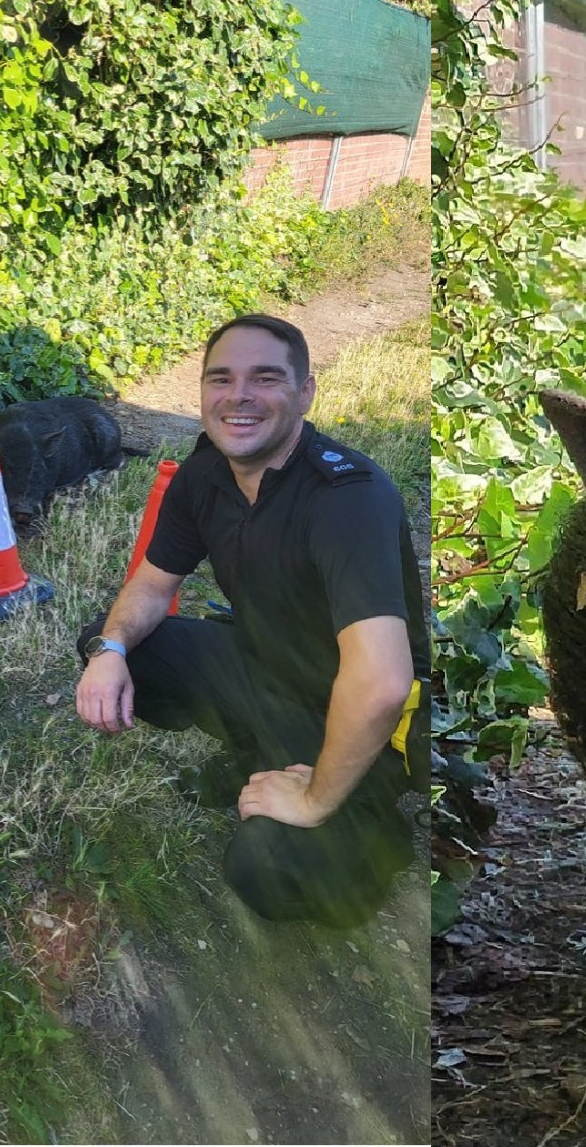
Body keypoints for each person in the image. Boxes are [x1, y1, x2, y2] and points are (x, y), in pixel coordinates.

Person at [74, 313, 428, 929]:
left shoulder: (348, 497)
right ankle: (256, 752)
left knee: (267, 874)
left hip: (360, 715)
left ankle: (371, 828)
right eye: (221, 379)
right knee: (124, 647)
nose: (238, 396)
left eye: (265, 379)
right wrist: (109, 651)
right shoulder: (207, 471)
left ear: (306, 392)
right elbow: (154, 586)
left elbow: (381, 683)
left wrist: (315, 799)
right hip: (269, 668)